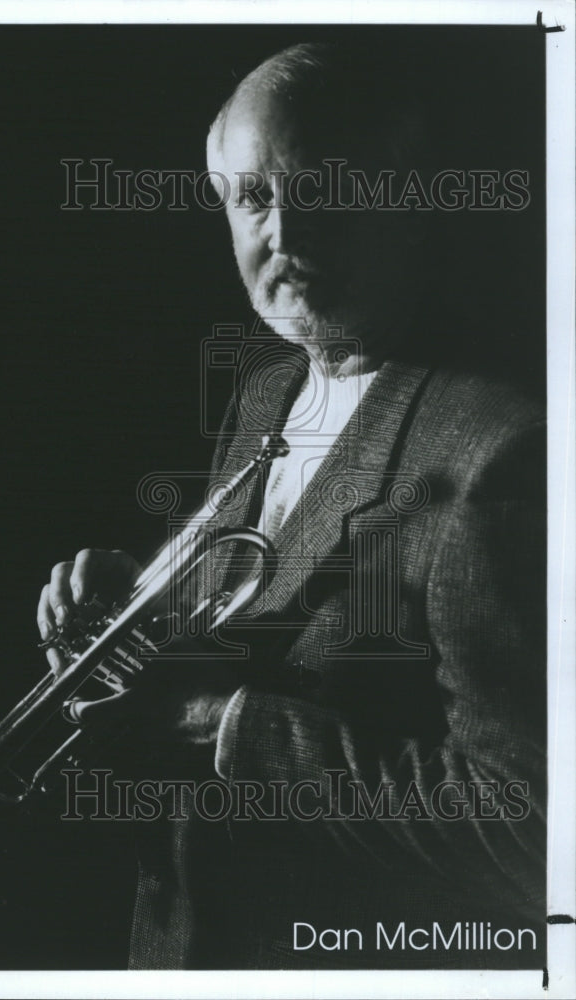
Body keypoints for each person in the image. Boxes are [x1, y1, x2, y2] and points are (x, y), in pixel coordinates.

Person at [37, 43, 545, 969]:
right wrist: (145, 616)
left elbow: (530, 834)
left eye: (322, 188)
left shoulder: (505, 448)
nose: (286, 230)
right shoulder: (267, 394)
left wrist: (220, 723)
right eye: (252, 198)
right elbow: (274, 636)